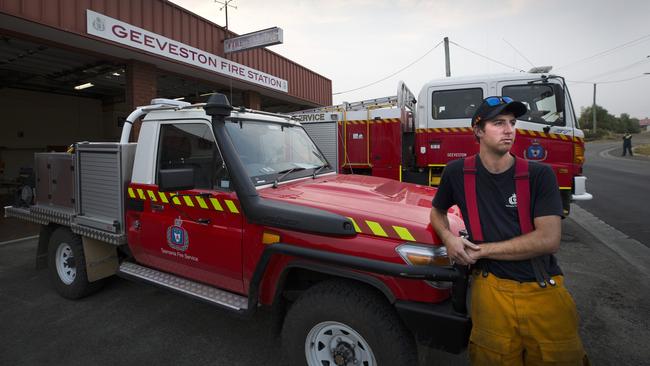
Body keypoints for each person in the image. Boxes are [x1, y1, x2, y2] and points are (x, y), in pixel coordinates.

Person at [430, 96, 589, 365]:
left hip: (543, 291)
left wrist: (480, 251)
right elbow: (437, 211)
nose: (509, 130)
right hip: (490, 293)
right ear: (478, 131)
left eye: (513, 123)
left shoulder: (540, 175)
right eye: (498, 123)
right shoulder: (457, 172)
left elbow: (549, 240)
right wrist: (449, 239)